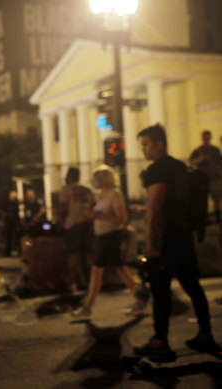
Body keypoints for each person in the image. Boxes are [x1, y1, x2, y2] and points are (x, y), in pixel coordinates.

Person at [134, 123, 220, 357]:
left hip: (165, 239)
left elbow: (155, 207)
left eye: (146, 145)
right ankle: (205, 335)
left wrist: (150, 242)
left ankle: (160, 340)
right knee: (192, 286)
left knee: (160, 291)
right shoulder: (180, 167)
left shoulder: (157, 170)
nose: (144, 150)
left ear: (158, 144)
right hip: (183, 235)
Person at [71, 166, 147, 320]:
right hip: (102, 237)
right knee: (121, 270)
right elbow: (100, 214)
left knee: (97, 271)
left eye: (96, 178)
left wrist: (99, 215)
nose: (94, 182)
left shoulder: (115, 194)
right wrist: (93, 215)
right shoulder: (100, 196)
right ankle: (141, 301)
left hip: (111, 237)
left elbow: (122, 219)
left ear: (102, 179)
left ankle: (87, 308)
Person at [58, 167, 95, 292]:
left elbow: (63, 209)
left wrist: (61, 222)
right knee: (88, 255)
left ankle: (72, 283)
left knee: (73, 256)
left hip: (72, 225)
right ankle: (90, 282)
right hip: (87, 225)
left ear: (69, 176)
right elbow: (94, 206)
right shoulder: (88, 190)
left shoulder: (67, 190)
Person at [189, 129, 222, 222]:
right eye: (204, 137)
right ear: (202, 138)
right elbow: (191, 162)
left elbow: (220, 162)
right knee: (203, 200)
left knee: (217, 199)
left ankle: (218, 218)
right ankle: (204, 219)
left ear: (210, 137)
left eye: (207, 136)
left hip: (215, 178)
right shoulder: (198, 150)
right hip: (202, 179)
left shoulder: (216, 150)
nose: (206, 138)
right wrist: (200, 160)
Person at [1, 190, 20, 256]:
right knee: (8, 237)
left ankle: (15, 250)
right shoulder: (6, 203)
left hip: (15, 222)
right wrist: (3, 222)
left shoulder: (16, 203)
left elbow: (21, 202)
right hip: (8, 222)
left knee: (15, 237)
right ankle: (7, 252)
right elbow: (4, 213)